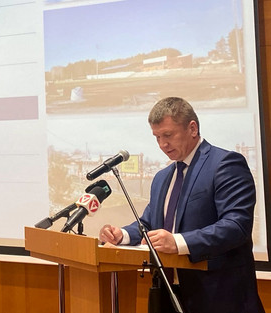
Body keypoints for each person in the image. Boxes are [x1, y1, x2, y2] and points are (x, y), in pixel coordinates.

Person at [99, 97, 264, 313]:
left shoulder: (225, 164)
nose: (162, 145)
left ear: (192, 128)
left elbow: (237, 226)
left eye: (168, 135)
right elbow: (149, 223)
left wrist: (178, 242)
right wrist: (122, 235)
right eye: (157, 137)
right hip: (169, 295)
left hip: (219, 298)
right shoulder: (162, 177)